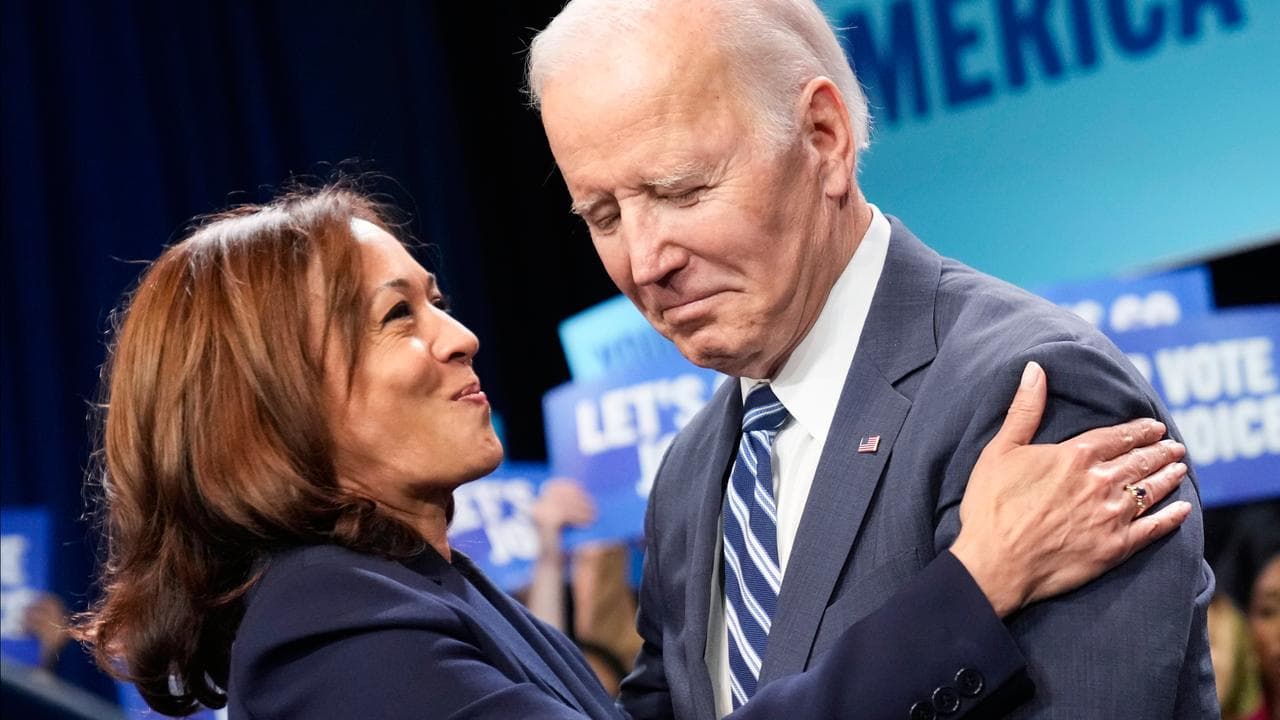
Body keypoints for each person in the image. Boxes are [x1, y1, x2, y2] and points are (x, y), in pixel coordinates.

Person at [74, 185, 1187, 719]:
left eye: (438, 299)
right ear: (267, 405)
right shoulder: (330, 631)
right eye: (394, 317)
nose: (458, 335)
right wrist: (974, 582)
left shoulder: (413, 585)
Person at [526, 0, 1218, 717]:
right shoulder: (691, 472)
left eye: (681, 191)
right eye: (603, 217)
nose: (644, 262)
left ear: (823, 138)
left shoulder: (1033, 390)